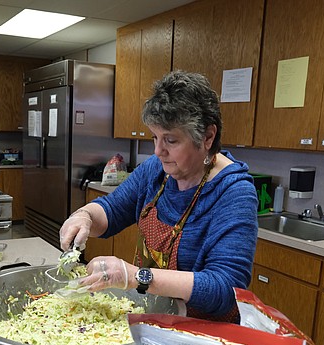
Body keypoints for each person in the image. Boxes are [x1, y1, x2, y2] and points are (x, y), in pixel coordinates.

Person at [59, 70, 258, 323]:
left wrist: (135, 277)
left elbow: (227, 289)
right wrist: (84, 216)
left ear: (208, 136)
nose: (158, 151)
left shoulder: (233, 192)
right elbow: (111, 209)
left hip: (202, 334)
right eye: (155, 137)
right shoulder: (156, 169)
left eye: (171, 140)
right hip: (155, 320)